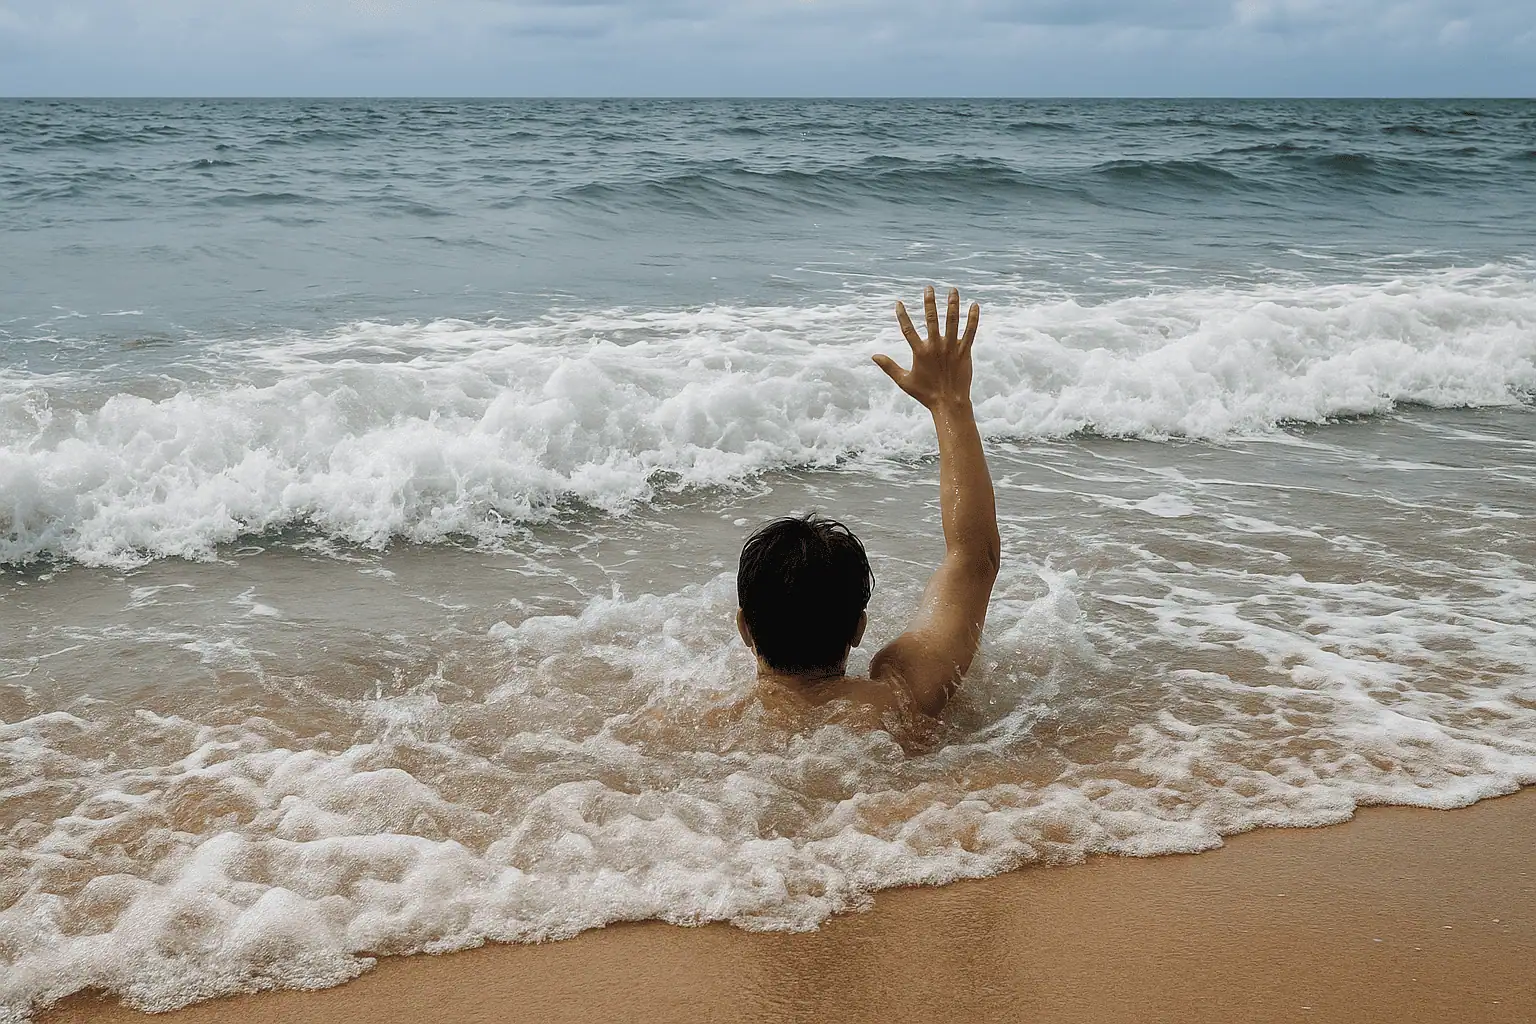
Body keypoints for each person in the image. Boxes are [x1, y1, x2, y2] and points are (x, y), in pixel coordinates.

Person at [736, 286, 1001, 724]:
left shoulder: (705, 725)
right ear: (859, 628)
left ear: (745, 628)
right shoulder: (899, 704)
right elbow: (976, 559)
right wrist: (949, 404)